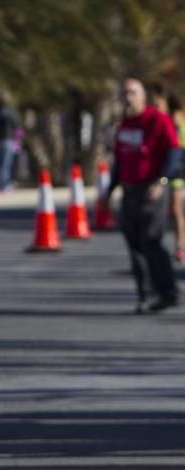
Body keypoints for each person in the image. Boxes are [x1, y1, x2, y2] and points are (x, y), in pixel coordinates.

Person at [102, 78, 181, 313]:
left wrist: (162, 181)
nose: (128, 97)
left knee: (151, 239)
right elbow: (120, 160)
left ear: (143, 96)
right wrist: (110, 190)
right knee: (134, 243)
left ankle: (168, 291)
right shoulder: (125, 125)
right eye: (124, 93)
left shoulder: (158, 120)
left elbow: (174, 152)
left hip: (151, 189)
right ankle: (145, 294)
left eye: (132, 92)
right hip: (130, 190)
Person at [167, 94, 185, 262]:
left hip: (180, 173)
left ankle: (180, 247)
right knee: (175, 212)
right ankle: (179, 246)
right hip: (173, 173)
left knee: (177, 211)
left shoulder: (181, 127)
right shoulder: (169, 125)